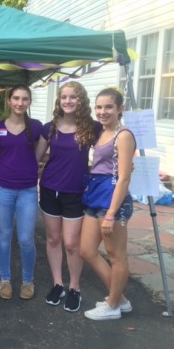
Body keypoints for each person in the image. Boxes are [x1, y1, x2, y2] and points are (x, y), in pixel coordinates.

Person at [35, 81, 101, 312]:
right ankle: (57, 284)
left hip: (76, 192)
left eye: (73, 97)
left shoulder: (92, 127)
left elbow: (110, 147)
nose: (68, 101)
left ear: (81, 100)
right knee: (53, 240)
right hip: (50, 189)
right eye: (64, 97)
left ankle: (75, 287)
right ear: (59, 101)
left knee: (72, 244)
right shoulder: (49, 127)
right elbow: (36, 158)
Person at [80, 88, 136, 320]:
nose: (103, 112)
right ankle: (119, 299)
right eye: (99, 107)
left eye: (109, 107)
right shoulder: (102, 132)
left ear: (120, 109)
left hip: (112, 202)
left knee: (116, 255)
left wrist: (112, 213)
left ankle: (112, 305)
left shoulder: (123, 136)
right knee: (87, 250)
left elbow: (123, 178)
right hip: (95, 196)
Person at [0, 85, 43, 300]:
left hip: (28, 190)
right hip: (3, 188)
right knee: (4, 235)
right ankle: (4, 279)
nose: (20, 103)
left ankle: (27, 280)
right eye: (16, 98)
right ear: (9, 101)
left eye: (24, 99)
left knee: (25, 238)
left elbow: (38, 155)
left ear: (29, 102)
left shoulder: (36, 126)